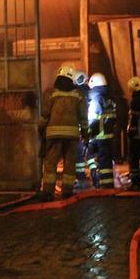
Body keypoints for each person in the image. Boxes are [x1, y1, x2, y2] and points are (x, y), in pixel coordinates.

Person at [38, 65, 88, 200]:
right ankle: (67, 191)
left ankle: (48, 192)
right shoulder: (78, 95)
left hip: (53, 134)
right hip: (72, 135)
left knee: (51, 163)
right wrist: (85, 132)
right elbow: (83, 116)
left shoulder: (50, 93)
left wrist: (40, 129)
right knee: (70, 163)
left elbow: (44, 115)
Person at [86, 72, 117, 189]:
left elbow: (93, 120)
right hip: (108, 136)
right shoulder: (110, 99)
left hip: (98, 136)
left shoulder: (96, 99)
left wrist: (87, 132)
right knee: (107, 163)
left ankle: (103, 186)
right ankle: (107, 185)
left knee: (98, 160)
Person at [72, 70, 92, 190]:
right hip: (92, 127)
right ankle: (96, 176)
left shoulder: (75, 94)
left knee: (78, 156)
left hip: (78, 128)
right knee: (91, 153)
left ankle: (81, 178)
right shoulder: (91, 92)